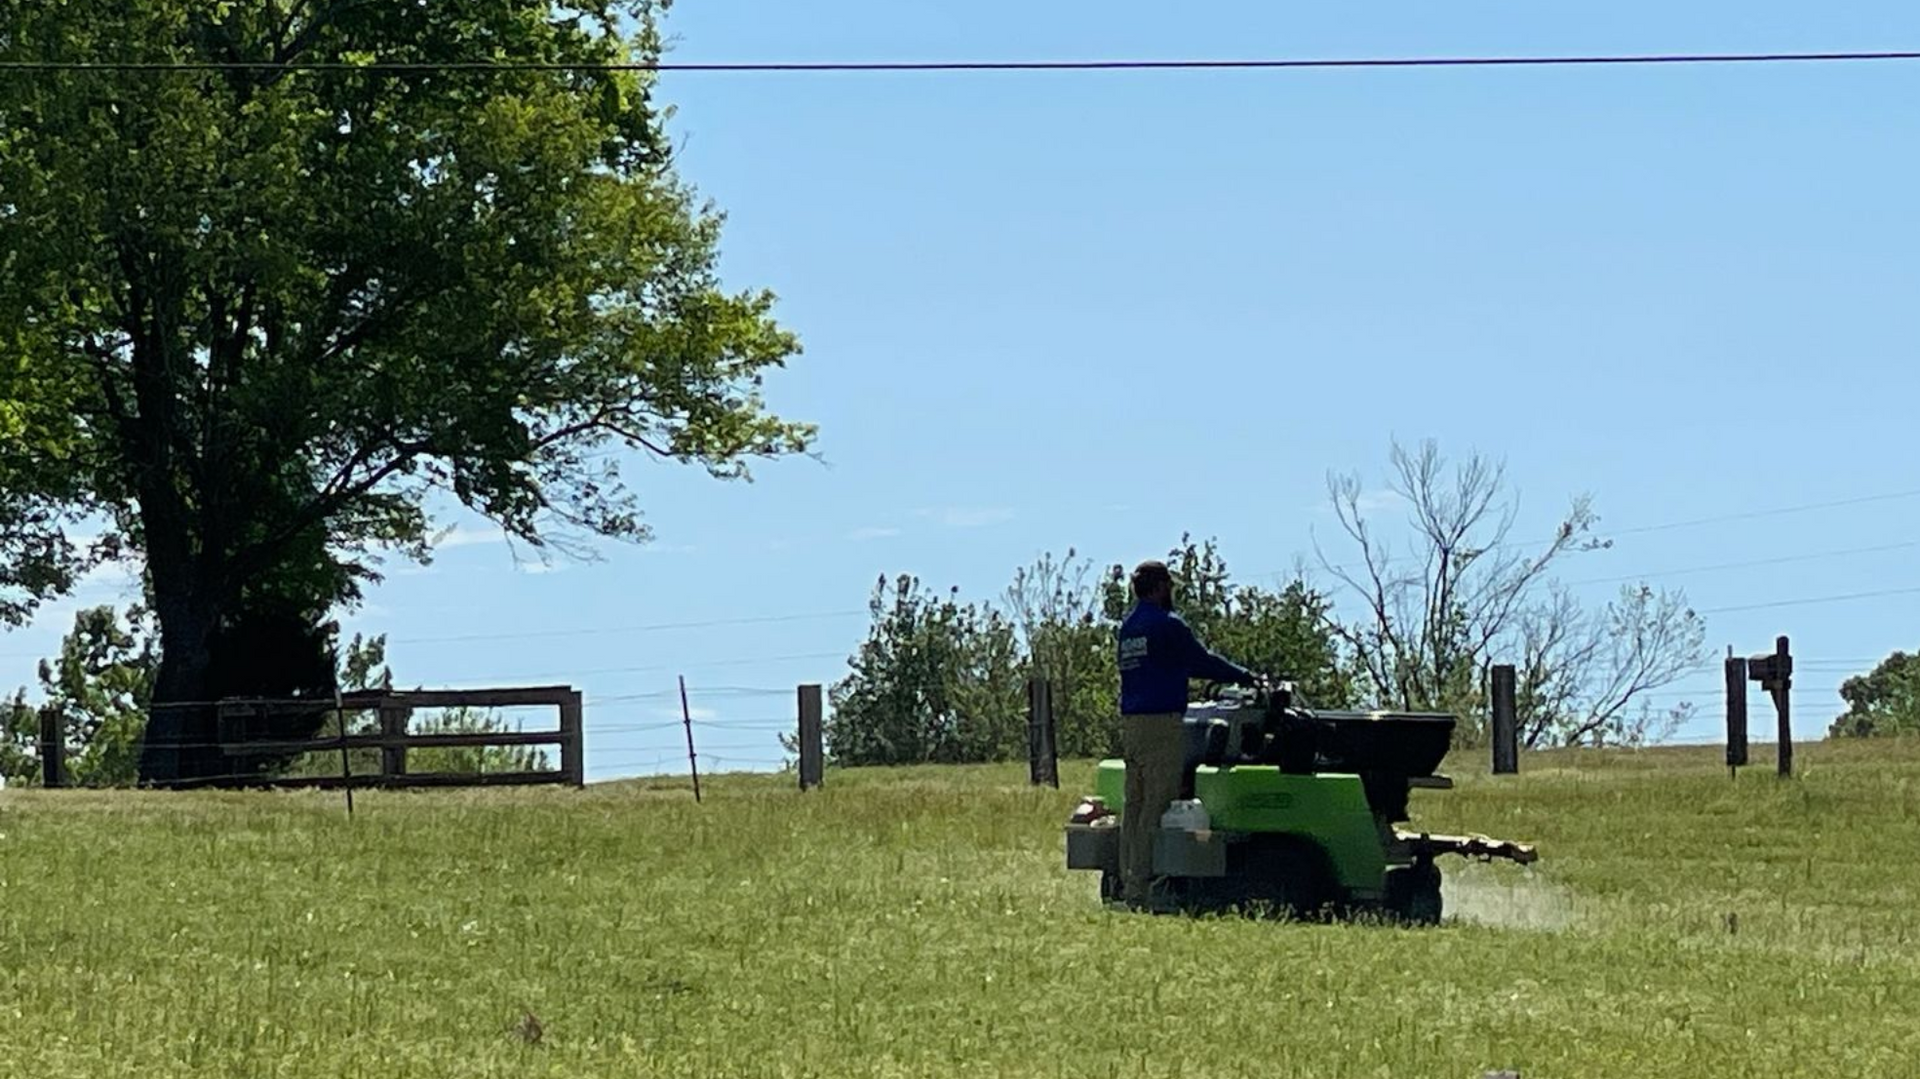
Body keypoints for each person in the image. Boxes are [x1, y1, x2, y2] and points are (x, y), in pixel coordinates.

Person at [1114, 559, 1262, 910]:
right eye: (1169, 585)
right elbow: (1200, 661)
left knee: (1133, 806)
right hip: (1162, 722)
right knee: (1157, 803)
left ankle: (1125, 881)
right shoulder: (1167, 625)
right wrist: (1244, 676)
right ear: (1160, 587)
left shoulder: (1129, 627)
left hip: (1132, 723)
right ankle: (1144, 889)